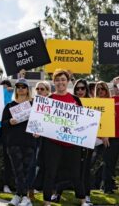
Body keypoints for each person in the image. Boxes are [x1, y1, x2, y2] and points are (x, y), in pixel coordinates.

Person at [40, 69, 89, 206]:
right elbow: (42, 120)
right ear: (54, 82)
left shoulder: (76, 99)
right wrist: (37, 130)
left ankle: (83, 201)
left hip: (73, 143)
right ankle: (47, 202)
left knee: (75, 174)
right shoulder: (48, 100)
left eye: (63, 79)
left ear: (67, 82)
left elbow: (82, 121)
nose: (60, 82)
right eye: (57, 80)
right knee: (50, 172)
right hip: (53, 143)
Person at [1, 78, 36, 206]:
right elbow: (3, 124)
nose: (21, 88)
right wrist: (9, 122)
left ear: (28, 89)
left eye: (24, 86)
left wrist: (38, 132)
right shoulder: (9, 106)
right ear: (16, 89)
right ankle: (21, 196)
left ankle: (22, 197)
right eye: (19, 86)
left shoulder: (34, 105)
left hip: (30, 143)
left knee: (27, 171)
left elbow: (40, 122)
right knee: (18, 171)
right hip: (13, 143)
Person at [0, 80, 14, 193]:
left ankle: (6, 184)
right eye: (2, 88)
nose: (4, 90)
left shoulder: (13, 96)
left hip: (7, 131)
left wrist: (11, 91)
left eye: (6, 87)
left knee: (8, 158)